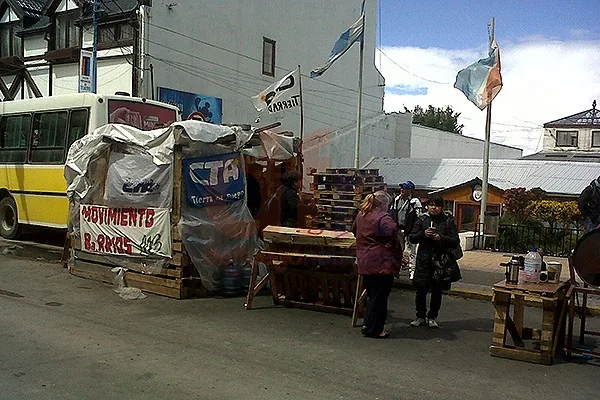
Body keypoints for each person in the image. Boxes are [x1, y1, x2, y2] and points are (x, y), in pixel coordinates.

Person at [352, 190, 402, 339]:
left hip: (364, 260)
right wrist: (390, 243)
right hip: (381, 262)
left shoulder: (361, 214)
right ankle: (375, 329)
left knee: (372, 294)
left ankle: (368, 325)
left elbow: (354, 231)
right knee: (379, 297)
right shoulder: (382, 217)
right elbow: (392, 229)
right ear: (384, 204)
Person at [408, 195, 459, 328]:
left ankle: (432, 316)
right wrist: (423, 234)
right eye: (431, 205)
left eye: (436, 205)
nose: (433, 208)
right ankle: (420, 316)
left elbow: (455, 240)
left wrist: (440, 237)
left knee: (437, 290)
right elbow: (412, 237)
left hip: (440, 261)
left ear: (441, 207)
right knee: (421, 289)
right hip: (424, 259)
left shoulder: (447, 220)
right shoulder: (422, 219)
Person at [390, 181, 422, 280]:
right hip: (399, 229)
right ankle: (397, 270)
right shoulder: (396, 200)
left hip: (410, 230)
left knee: (412, 252)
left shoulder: (414, 201)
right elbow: (393, 213)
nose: (402, 190)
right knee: (398, 250)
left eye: (405, 188)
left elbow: (419, 217)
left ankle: (412, 271)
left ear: (410, 190)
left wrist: (414, 230)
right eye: (402, 188)